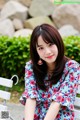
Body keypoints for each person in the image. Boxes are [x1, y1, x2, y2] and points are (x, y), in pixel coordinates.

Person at [20, 23, 80, 120]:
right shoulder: (31, 67)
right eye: (41, 48)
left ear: (58, 43)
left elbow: (57, 102)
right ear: (36, 51)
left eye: (50, 44)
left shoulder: (72, 68)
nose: (47, 52)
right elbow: (30, 97)